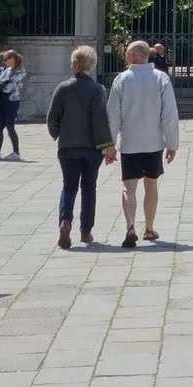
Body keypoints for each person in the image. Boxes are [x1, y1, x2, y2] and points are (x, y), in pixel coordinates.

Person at [106, 39, 180, 248]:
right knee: (151, 184)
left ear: (132, 56)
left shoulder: (121, 79)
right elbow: (169, 114)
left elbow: (113, 115)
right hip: (154, 142)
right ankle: (149, 227)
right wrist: (172, 143)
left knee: (128, 186)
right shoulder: (161, 78)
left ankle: (130, 226)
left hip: (129, 142)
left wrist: (110, 145)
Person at [46, 45, 114, 250]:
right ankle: (86, 230)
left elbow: (52, 119)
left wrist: (57, 133)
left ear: (73, 64)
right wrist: (108, 145)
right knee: (89, 188)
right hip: (92, 149)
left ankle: (65, 221)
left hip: (68, 147)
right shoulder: (97, 90)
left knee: (69, 186)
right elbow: (100, 120)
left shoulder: (63, 88)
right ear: (92, 66)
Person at [0, 51, 26, 160]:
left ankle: (16, 152)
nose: (4, 62)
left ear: (12, 58)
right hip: (3, 101)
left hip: (12, 102)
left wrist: (1, 85)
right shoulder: (7, 70)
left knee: (10, 126)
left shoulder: (20, 71)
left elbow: (8, 88)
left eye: (6, 59)